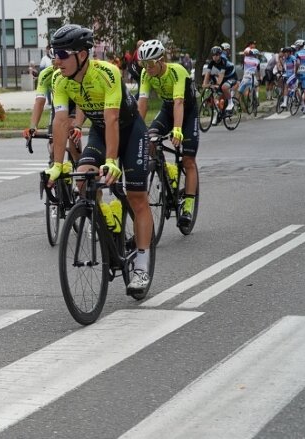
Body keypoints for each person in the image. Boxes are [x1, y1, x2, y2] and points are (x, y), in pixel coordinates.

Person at [46, 24, 153, 296]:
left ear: (82, 55)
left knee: (138, 196)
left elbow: (113, 118)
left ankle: (141, 264)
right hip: (100, 132)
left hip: (130, 132)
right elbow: (60, 121)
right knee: (82, 181)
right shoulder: (60, 80)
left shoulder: (107, 73)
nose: (56, 60)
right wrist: (58, 165)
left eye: (61, 54)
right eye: (53, 53)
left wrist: (112, 160)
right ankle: (109, 222)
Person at [136, 39, 199, 227]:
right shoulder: (146, 75)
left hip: (187, 113)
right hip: (167, 110)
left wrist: (178, 130)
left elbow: (179, 102)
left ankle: (188, 204)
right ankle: (167, 172)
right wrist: (137, 130)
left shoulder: (177, 71)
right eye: (143, 64)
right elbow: (143, 103)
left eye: (150, 64)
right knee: (150, 141)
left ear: (161, 60)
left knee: (188, 160)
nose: (147, 68)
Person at [202, 46, 238, 113]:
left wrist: (217, 84)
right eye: (213, 55)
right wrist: (204, 84)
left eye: (216, 55)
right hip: (224, 77)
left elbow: (221, 75)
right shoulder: (212, 62)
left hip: (231, 76)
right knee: (218, 96)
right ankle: (220, 112)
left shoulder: (223, 61)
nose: (215, 56)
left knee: (224, 87)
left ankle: (231, 103)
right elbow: (207, 74)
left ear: (220, 55)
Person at [294, 42, 305, 114]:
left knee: (297, 89)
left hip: (299, 72)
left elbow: (297, 63)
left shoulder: (298, 53)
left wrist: (296, 71)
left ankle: (302, 104)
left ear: (298, 46)